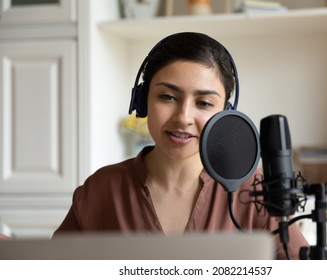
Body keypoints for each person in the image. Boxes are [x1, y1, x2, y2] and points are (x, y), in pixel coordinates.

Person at [53, 32, 309, 259]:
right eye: (167, 97)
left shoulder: (257, 191)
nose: (183, 118)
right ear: (142, 101)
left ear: (225, 115)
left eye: (204, 103)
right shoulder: (100, 189)